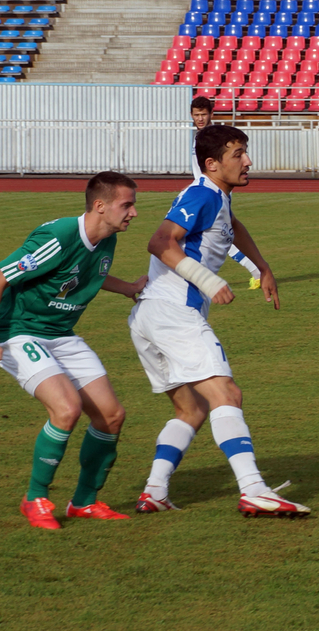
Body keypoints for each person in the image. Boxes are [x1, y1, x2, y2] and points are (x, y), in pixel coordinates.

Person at [130, 124, 308, 517]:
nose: (247, 161)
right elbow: (160, 242)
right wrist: (208, 281)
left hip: (148, 318)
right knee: (227, 395)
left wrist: (262, 267)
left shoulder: (217, 198)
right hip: (174, 313)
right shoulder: (201, 194)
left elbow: (233, 227)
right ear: (212, 164)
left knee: (191, 411)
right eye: (238, 154)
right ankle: (254, 489)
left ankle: (155, 491)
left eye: (245, 152)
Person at [0, 172, 145, 528]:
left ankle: (84, 502)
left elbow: (87, 276)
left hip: (61, 333)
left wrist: (128, 287)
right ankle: (35, 498)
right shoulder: (57, 237)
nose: (133, 213)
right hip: (20, 332)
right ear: (100, 206)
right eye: (126, 205)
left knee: (111, 416)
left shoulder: (107, 238)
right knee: (66, 409)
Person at [189, 97, 263, 291]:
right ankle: (256, 270)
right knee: (221, 235)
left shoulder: (218, 138)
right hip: (203, 194)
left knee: (221, 236)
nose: (200, 118)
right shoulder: (198, 138)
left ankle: (256, 271)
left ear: (211, 114)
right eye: (196, 115)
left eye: (204, 114)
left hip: (213, 194)